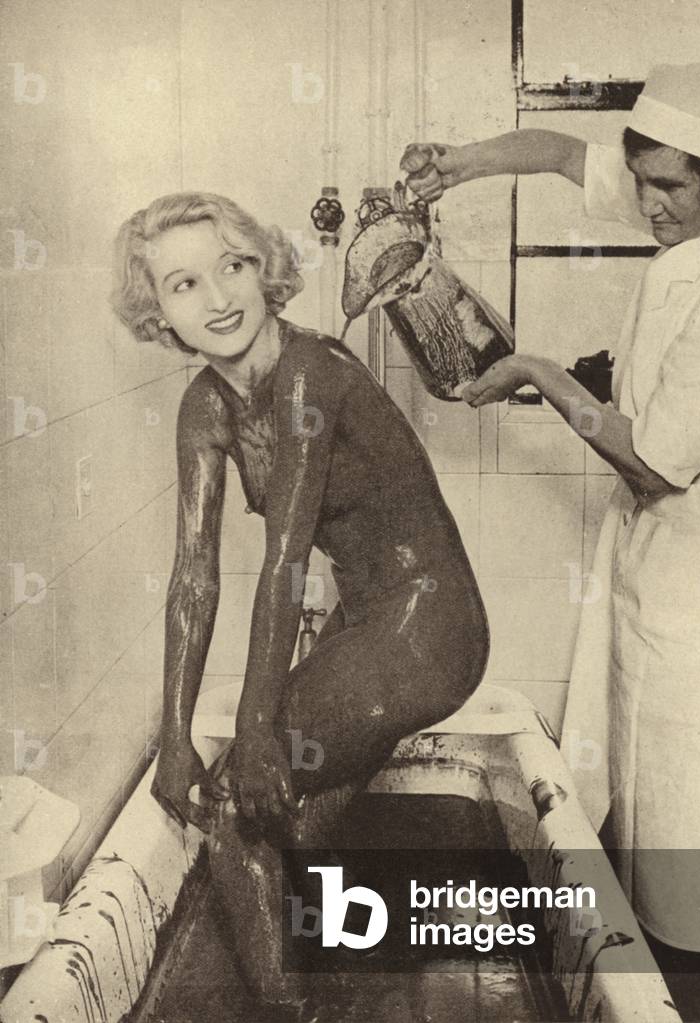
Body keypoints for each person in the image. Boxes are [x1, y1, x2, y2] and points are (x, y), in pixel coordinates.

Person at [402, 61, 700, 1018]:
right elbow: (556, 150)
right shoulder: (694, 209)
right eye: (645, 180)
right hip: (669, 558)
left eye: (670, 187)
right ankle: (644, 980)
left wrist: (535, 367)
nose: (650, 203)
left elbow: (658, 463)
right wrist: (457, 165)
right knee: (652, 787)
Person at [110, 192, 489, 1017]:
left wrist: (252, 734)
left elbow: (283, 564)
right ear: (158, 312)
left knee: (239, 817)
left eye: (232, 267)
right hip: (370, 628)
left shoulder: (310, 373)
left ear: (263, 269)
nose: (217, 298)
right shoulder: (205, 408)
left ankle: (290, 1010)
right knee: (275, 828)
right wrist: (173, 735)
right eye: (184, 284)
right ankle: (338, 982)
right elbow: (194, 577)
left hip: (430, 625)